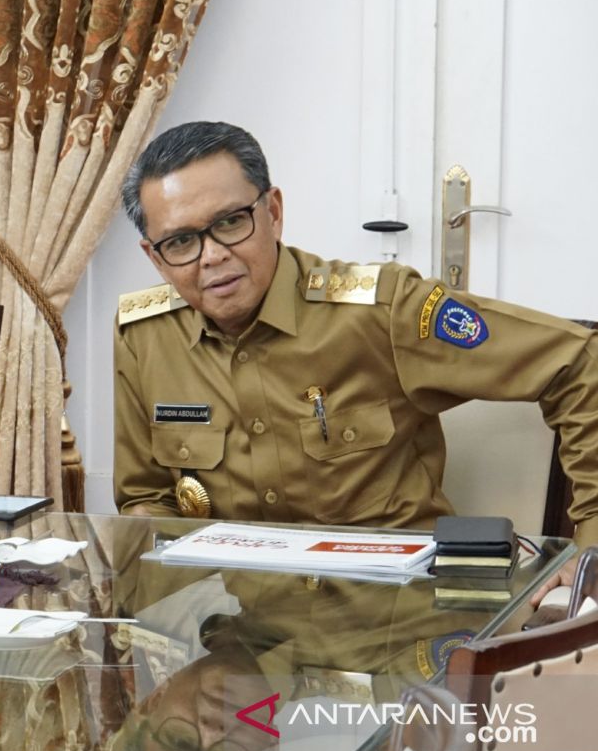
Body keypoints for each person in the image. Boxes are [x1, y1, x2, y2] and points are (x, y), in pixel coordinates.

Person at [114, 121, 598, 549]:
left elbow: (580, 363)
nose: (212, 255)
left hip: (392, 619)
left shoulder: (385, 311)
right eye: (181, 241)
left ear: (274, 212)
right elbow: (145, 499)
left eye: (230, 223)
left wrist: (592, 545)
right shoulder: (146, 337)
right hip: (235, 628)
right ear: (154, 256)